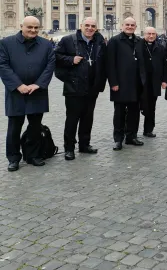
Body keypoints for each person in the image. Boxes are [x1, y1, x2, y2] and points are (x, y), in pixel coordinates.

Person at [0, 16, 55, 172]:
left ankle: (33, 155)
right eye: (29, 27)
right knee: (14, 127)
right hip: (16, 92)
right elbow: (3, 66)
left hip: (38, 91)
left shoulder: (46, 44)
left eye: (36, 28)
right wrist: (18, 85)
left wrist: (38, 84)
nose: (33, 30)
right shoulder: (6, 43)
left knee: (35, 127)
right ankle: (13, 158)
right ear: (21, 26)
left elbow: (50, 66)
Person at [54, 17, 107, 160]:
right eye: (87, 25)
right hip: (74, 87)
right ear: (81, 26)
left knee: (87, 118)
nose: (90, 28)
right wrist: (71, 60)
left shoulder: (99, 41)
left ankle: (84, 145)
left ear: (96, 28)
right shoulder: (68, 40)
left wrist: (100, 82)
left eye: (93, 26)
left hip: (92, 87)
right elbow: (56, 57)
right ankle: (69, 148)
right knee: (72, 119)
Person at [106, 17, 144, 150]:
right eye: (127, 24)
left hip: (136, 83)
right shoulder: (114, 41)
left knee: (134, 112)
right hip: (120, 84)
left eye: (132, 25)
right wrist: (113, 82)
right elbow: (110, 64)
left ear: (135, 26)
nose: (129, 27)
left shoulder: (139, 41)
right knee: (119, 113)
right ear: (122, 26)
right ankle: (118, 139)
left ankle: (131, 136)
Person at [137, 27, 167, 138]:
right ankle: (130, 131)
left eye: (153, 34)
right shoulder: (138, 46)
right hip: (140, 81)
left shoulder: (160, 48)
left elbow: (164, 65)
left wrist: (164, 80)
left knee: (151, 107)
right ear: (144, 34)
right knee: (136, 106)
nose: (151, 36)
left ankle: (148, 130)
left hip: (154, 81)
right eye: (149, 34)